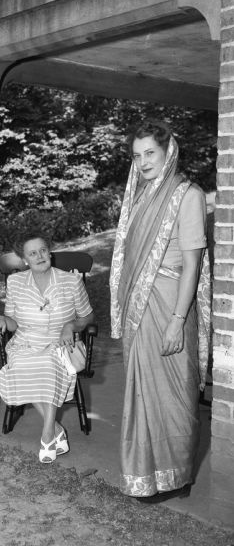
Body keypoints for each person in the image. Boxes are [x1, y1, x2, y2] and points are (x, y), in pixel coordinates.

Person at [109, 119, 211, 501]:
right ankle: (145, 476)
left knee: (176, 394)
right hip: (140, 308)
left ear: (169, 150)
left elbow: (192, 265)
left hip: (171, 306)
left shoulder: (189, 195)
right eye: (137, 156)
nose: (143, 162)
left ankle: (177, 475)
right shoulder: (138, 196)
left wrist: (177, 320)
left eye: (150, 152)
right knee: (142, 391)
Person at [0, 232, 94, 463]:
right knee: (22, 364)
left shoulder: (70, 281)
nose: (39, 256)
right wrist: (0, 321)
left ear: (50, 253)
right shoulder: (15, 282)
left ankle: (47, 435)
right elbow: (12, 322)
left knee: (47, 365)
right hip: (26, 342)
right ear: (25, 259)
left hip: (61, 343)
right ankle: (56, 429)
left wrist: (71, 325)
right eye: (32, 253)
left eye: (43, 250)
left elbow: (87, 316)